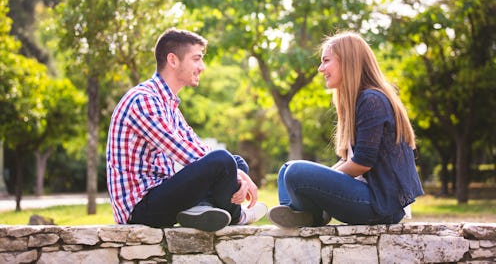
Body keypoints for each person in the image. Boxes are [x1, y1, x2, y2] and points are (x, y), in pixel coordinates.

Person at [106, 28, 267, 232]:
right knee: (224, 162)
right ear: (173, 60)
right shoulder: (143, 100)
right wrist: (236, 175)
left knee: (235, 162)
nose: (203, 67)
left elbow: (197, 146)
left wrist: (234, 170)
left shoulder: (169, 104)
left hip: (161, 194)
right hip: (141, 208)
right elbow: (181, 151)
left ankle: (203, 208)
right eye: (197, 59)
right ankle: (237, 215)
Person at [267, 31, 424, 228]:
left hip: (379, 205)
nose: (320, 68)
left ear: (348, 61)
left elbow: (362, 163)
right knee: (286, 170)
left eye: (326, 61)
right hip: (365, 198)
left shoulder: (372, 100)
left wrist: (321, 178)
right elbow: (349, 160)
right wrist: (323, 178)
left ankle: (311, 214)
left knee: (295, 172)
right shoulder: (356, 101)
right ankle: (306, 214)